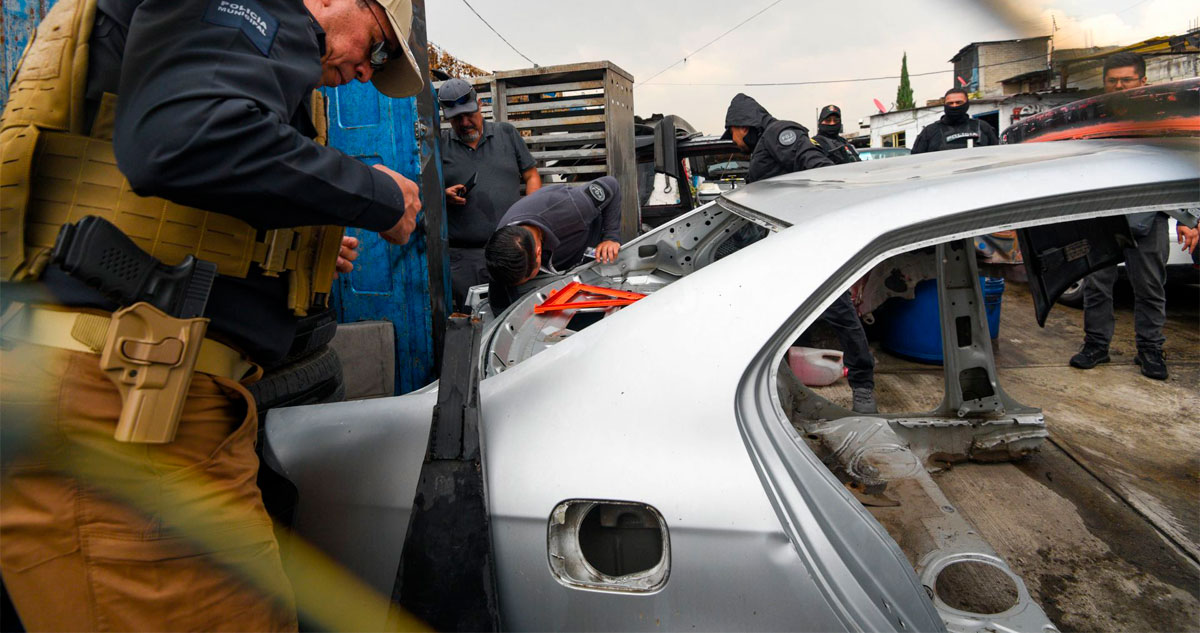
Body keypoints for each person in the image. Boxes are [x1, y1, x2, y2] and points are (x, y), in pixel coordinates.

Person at [0, 0, 425, 629]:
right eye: (379, 46)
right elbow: (184, 137)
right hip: (124, 397)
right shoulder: (259, 10)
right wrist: (377, 194)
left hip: (148, 396)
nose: (368, 71)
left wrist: (301, 242)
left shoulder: (236, 40)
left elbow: (185, 180)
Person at [721, 95, 877, 414]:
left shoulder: (779, 133)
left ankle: (863, 388)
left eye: (733, 134)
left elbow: (821, 169)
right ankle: (768, 386)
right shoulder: (766, 145)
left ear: (742, 126)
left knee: (840, 313)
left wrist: (820, 221)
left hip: (809, 245)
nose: (734, 142)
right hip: (780, 247)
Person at [1069, 51, 1200, 380]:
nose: (1119, 86)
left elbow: (1180, 170)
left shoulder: (1163, 122)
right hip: (1100, 217)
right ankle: (1096, 346)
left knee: (1150, 288)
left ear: (1143, 81)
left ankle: (1150, 350)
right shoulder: (1090, 120)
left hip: (1148, 217)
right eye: (1112, 80)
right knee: (1097, 286)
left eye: (1126, 80)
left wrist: (1189, 218)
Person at [438, 78, 542, 309]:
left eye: (469, 114)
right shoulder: (439, 146)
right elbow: (426, 193)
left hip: (512, 251)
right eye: (456, 118)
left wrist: (530, 219)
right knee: (472, 318)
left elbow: (531, 176)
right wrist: (443, 196)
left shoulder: (507, 134)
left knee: (518, 313)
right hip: (464, 259)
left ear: (480, 105)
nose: (465, 123)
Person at [484, 176, 621, 312]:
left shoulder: (573, 206)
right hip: (562, 273)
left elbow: (611, 184)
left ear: (538, 252)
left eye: (529, 277)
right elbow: (499, 301)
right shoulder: (501, 252)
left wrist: (611, 237)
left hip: (594, 258)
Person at [910, 87, 999, 154]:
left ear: (967, 104)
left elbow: (997, 156)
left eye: (959, 102)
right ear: (945, 105)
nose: (954, 106)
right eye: (950, 103)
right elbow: (916, 161)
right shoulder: (929, 131)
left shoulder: (983, 127)